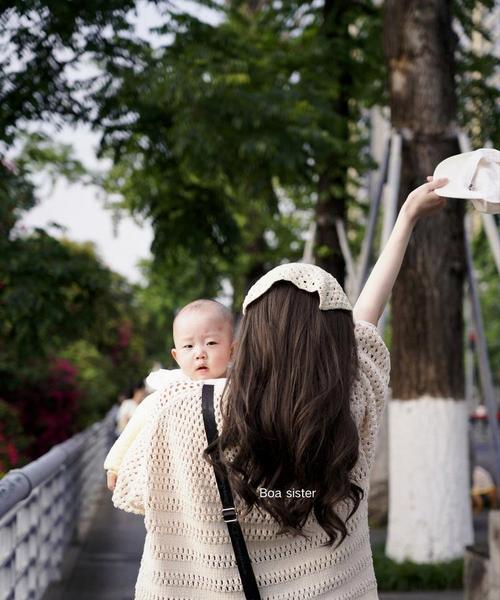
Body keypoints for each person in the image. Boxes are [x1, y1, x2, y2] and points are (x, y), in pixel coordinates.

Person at [111, 178, 448, 599]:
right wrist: (406, 219)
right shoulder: (349, 397)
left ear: (250, 336)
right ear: (334, 339)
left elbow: (130, 486)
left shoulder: (181, 407)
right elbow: (366, 323)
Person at [104, 298, 234, 491]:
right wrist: (115, 465)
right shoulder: (172, 389)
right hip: (186, 482)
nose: (200, 353)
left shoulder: (241, 388)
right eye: (188, 346)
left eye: (211, 343)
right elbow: (136, 425)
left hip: (231, 479)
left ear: (232, 351)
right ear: (176, 356)